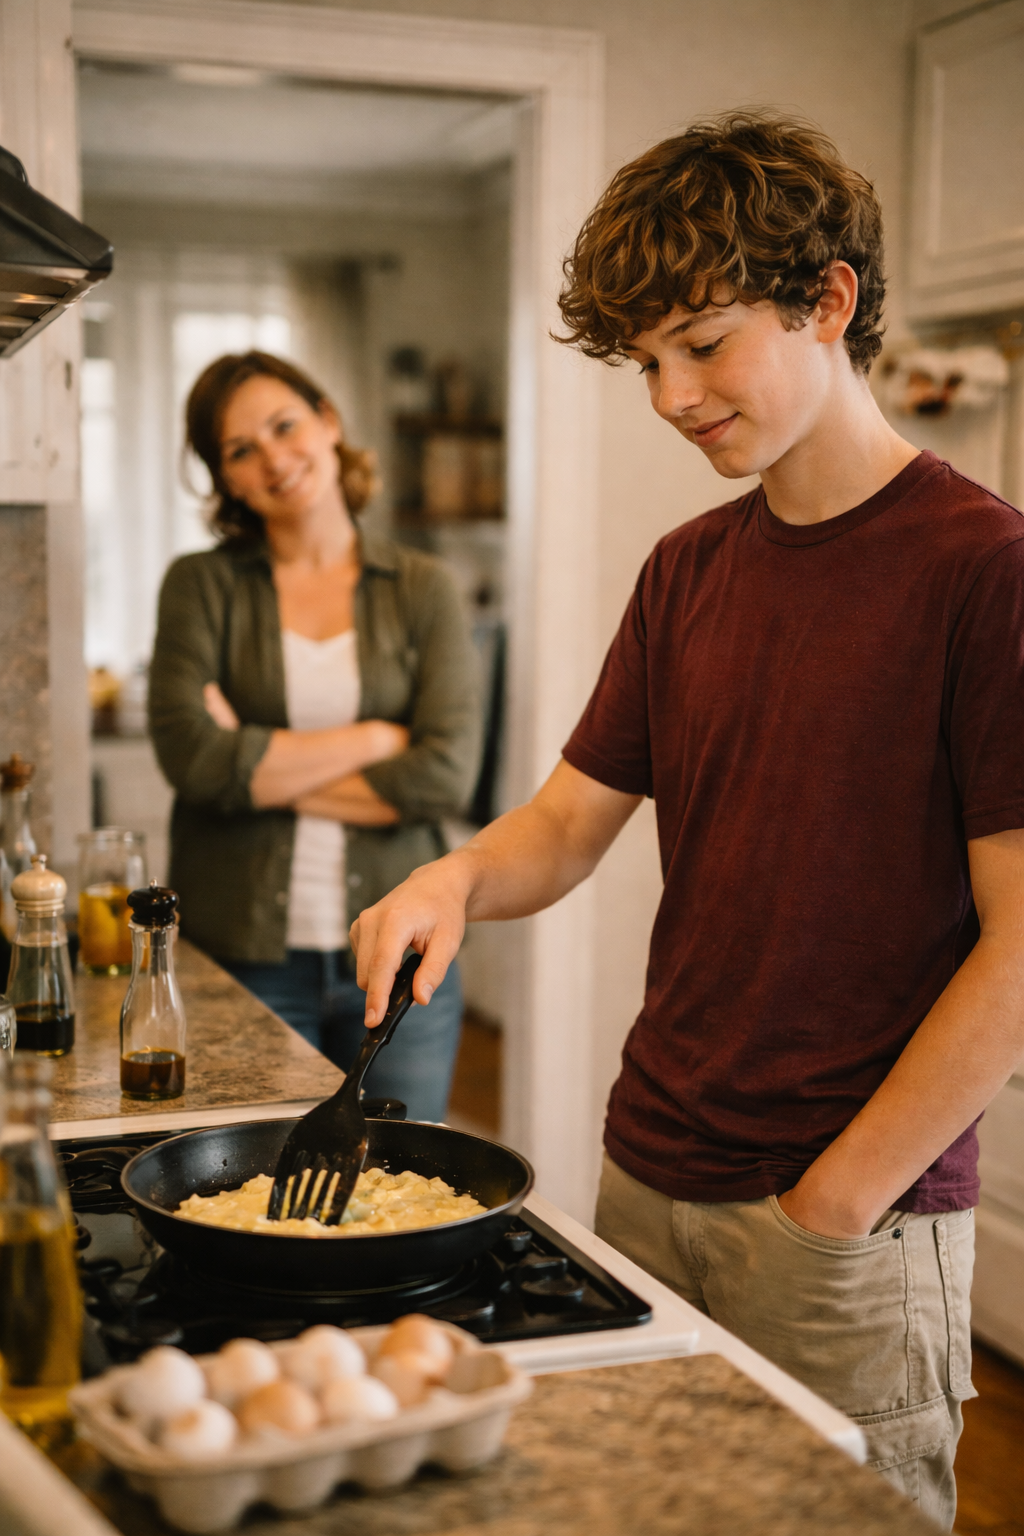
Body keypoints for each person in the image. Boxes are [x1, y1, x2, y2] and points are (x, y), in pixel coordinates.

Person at [348, 114, 1024, 1527]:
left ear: (827, 300)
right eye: (647, 361)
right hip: (645, 1172)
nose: (669, 396)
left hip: (845, 1219)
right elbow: (566, 824)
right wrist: (452, 880)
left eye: (702, 346)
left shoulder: (986, 570)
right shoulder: (685, 572)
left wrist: (835, 1203)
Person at [149, 351, 481, 1121]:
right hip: (242, 964)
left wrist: (251, 760)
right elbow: (194, 761)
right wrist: (376, 738)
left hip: (403, 960)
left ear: (328, 422)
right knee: (256, 1180)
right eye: (241, 449)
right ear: (227, 480)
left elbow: (444, 776)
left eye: (284, 425)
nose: (273, 458)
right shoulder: (200, 585)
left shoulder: (424, 588)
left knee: (402, 1178)